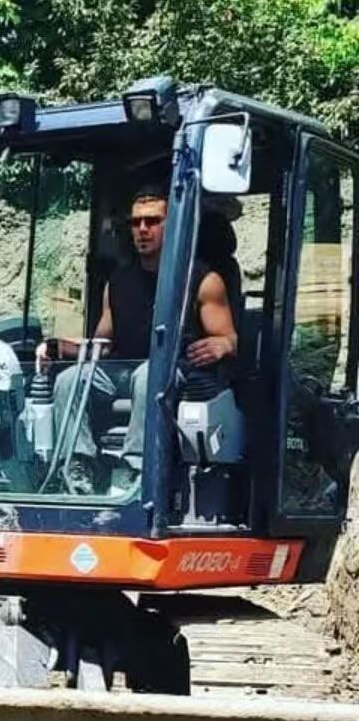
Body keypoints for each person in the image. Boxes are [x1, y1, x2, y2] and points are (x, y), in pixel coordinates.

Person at [36, 184, 238, 494]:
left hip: (176, 373)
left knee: (149, 375)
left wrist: (223, 344)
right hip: (121, 371)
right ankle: (77, 466)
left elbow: (230, 339)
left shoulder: (203, 280)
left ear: (173, 226)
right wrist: (57, 347)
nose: (142, 229)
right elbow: (101, 346)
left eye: (153, 221)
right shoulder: (117, 283)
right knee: (71, 379)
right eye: (136, 222)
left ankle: (135, 471)